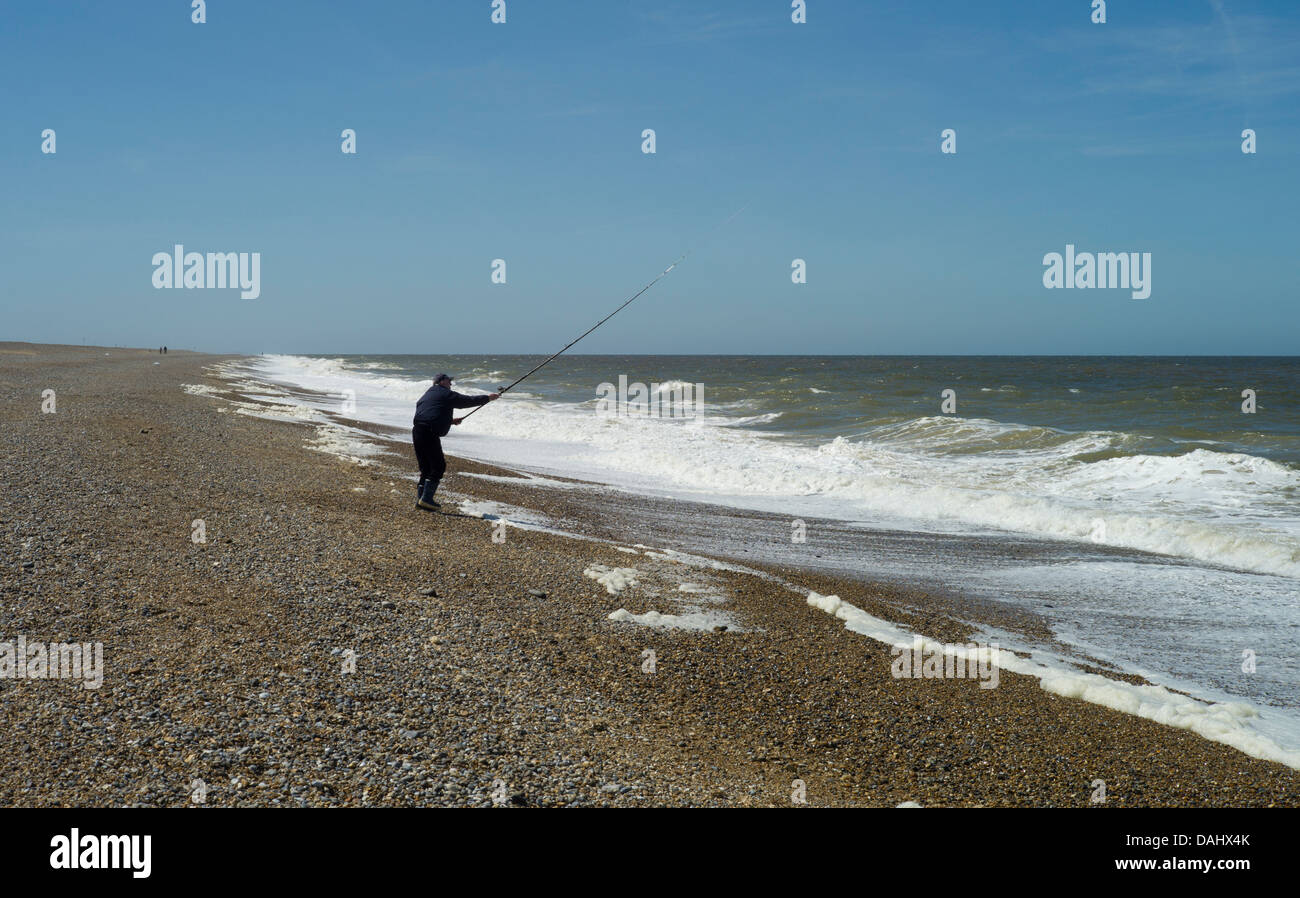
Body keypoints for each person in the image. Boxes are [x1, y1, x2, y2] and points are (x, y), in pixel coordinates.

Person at [412, 374, 499, 510]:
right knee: (438, 466)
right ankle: (427, 499)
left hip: (418, 431)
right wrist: (488, 398)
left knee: (426, 468)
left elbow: (429, 412)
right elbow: (464, 401)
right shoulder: (444, 393)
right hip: (429, 432)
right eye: (449, 381)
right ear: (441, 381)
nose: (451, 384)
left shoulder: (428, 394)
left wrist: (450, 421)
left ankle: (421, 501)